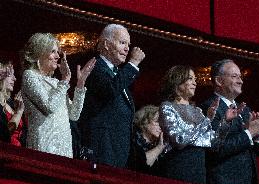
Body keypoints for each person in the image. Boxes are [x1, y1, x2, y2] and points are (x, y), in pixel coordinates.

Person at [200, 59, 259, 184]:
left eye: (240, 77)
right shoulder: (210, 108)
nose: (241, 81)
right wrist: (249, 133)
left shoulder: (244, 110)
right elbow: (215, 150)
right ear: (219, 81)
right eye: (234, 76)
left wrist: (257, 135)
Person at [79, 24, 145, 167]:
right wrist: (133, 63)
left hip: (117, 154)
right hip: (101, 151)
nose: (127, 49)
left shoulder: (118, 74)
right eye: (122, 43)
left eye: (128, 44)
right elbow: (110, 91)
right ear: (106, 45)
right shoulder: (95, 67)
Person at [21, 33, 96, 158]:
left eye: (58, 52)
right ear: (40, 53)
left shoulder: (56, 83)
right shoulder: (30, 76)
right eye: (53, 51)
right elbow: (49, 106)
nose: (57, 56)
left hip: (64, 147)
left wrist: (80, 84)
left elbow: (74, 115)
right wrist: (65, 80)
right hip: (44, 144)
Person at [159, 65, 237, 184]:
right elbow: (179, 139)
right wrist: (207, 120)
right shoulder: (167, 107)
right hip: (178, 166)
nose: (195, 83)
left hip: (199, 170)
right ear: (177, 81)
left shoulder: (198, 111)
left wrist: (225, 122)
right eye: (190, 79)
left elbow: (214, 144)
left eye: (195, 79)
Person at [129, 105, 170, 175]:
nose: (161, 126)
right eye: (157, 121)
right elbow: (139, 165)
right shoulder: (131, 140)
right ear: (145, 120)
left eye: (163, 123)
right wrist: (159, 148)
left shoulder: (161, 149)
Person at [0, 60, 26, 146]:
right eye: (11, 74)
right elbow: (4, 135)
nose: (15, 79)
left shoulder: (11, 103)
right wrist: (18, 112)